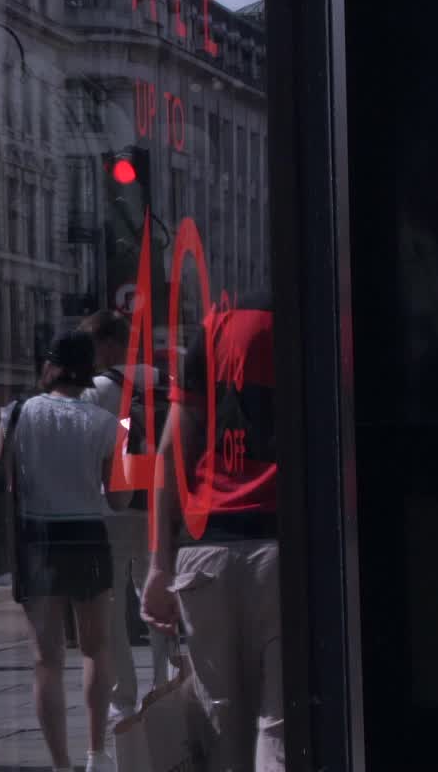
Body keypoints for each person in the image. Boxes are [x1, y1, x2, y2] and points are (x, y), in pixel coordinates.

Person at [141, 297, 283, 772]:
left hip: (207, 549)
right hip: (283, 546)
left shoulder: (217, 328)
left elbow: (169, 452)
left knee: (218, 717)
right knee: (279, 722)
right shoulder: (316, 320)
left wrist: (159, 564)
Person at [0, 331, 122, 772]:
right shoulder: (104, 423)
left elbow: (4, 479)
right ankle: (96, 753)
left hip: (38, 535)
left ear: (50, 366)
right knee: (95, 648)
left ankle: (60, 764)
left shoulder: (17, 414)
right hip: (87, 534)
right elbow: (118, 498)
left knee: (47, 659)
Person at [79, 309, 176, 717]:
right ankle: (167, 684)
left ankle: (124, 699)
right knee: (156, 598)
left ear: (106, 343)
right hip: (157, 503)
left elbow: (86, 450)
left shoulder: (96, 389)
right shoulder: (161, 379)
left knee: (114, 603)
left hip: (113, 507)